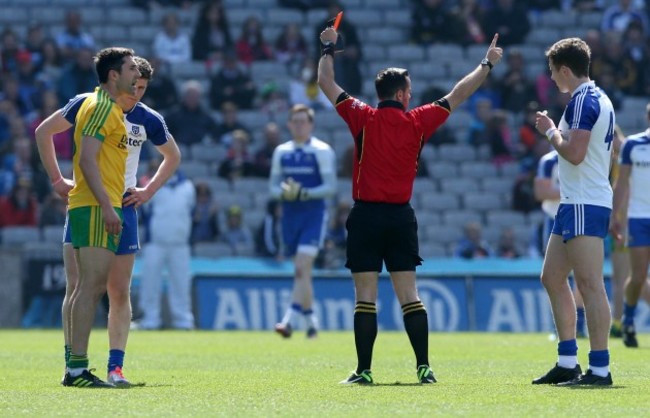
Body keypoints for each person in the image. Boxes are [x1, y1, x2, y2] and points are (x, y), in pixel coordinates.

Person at [317, 22, 502, 384]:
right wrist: (487, 63)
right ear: (402, 94)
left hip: (366, 216)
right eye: (410, 91)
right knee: (409, 295)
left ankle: (365, 371)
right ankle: (424, 367)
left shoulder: (362, 116)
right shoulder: (418, 121)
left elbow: (325, 82)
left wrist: (327, 47)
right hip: (401, 218)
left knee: (365, 298)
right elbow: (459, 93)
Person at [35, 55, 181, 387]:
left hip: (122, 204)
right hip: (94, 202)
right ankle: (74, 366)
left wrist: (147, 191)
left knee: (117, 290)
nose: (138, 92)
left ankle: (114, 369)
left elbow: (173, 156)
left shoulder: (147, 119)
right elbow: (45, 133)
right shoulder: (93, 105)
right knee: (79, 285)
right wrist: (58, 181)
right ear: (117, 77)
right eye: (134, 82)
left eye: (143, 86)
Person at [532, 37, 615, 386]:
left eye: (553, 72)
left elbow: (576, 152)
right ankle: (568, 361)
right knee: (552, 277)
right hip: (575, 201)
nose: (551, 79)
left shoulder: (583, 100)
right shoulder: (596, 98)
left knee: (590, 285)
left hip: (583, 201)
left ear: (566, 69)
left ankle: (600, 369)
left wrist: (550, 131)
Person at [269, 104, 337, 339]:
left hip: (313, 215)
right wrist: (284, 193)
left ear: (311, 124)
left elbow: (331, 187)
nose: (299, 125)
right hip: (290, 216)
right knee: (303, 272)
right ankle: (312, 321)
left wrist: (305, 193)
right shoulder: (282, 152)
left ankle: (289, 320)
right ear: (289, 124)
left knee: (301, 266)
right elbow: (272, 187)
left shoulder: (322, 150)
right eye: (295, 121)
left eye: (303, 121)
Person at [534, 149, 587, 338]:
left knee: (583, 274)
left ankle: (579, 325)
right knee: (555, 275)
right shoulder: (549, 160)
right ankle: (561, 327)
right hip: (553, 219)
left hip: (581, 217)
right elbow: (541, 191)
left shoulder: (585, 155)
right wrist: (572, 189)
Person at [610, 103, 650, 348]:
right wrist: (615, 216)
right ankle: (629, 320)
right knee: (638, 276)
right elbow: (621, 183)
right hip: (639, 218)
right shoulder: (633, 145)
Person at [138, 171, 195, 330]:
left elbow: (190, 212)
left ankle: (183, 321)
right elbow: (144, 212)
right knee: (150, 283)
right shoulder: (151, 184)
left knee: (181, 283)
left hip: (180, 244)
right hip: (155, 243)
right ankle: (150, 320)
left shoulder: (188, 187)